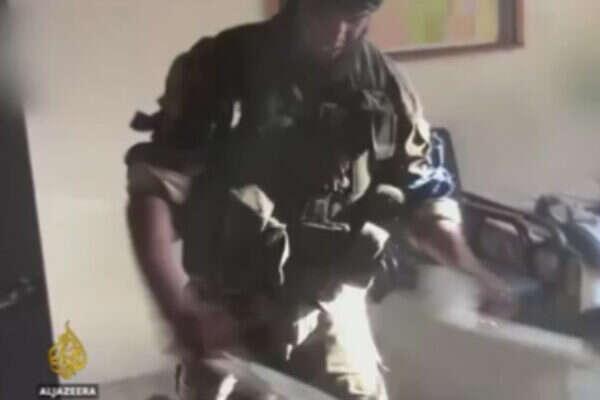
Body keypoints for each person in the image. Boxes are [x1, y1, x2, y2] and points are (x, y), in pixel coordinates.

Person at [126, 0, 515, 398]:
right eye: (324, 16)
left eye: (354, 19)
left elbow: (423, 198)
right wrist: (176, 309)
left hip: (329, 307)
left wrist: (473, 271)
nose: (338, 34)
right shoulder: (221, 67)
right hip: (226, 312)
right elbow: (154, 191)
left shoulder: (384, 85)